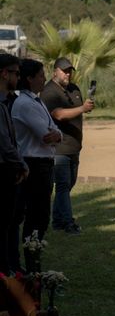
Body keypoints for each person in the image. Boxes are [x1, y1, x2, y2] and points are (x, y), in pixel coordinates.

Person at [11, 59, 62, 272]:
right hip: (34, 164)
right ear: (30, 78)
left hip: (44, 164)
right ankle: (31, 263)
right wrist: (55, 134)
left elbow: (55, 131)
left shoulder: (37, 101)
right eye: (41, 75)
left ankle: (35, 259)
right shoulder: (24, 103)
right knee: (35, 216)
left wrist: (56, 134)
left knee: (41, 216)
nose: (44, 79)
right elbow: (46, 135)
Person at [40, 57, 94, 235]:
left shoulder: (74, 89)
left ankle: (57, 221)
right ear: (55, 70)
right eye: (64, 70)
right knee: (63, 186)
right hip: (59, 149)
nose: (68, 74)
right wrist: (82, 109)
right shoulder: (49, 92)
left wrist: (85, 106)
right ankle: (69, 224)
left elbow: (76, 111)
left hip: (74, 147)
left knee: (68, 185)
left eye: (70, 70)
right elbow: (58, 115)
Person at [0, 54, 28, 274]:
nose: (19, 77)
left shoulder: (5, 100)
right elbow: (4, 142)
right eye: (16, 73)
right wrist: (21, 164)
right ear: (4, 73)